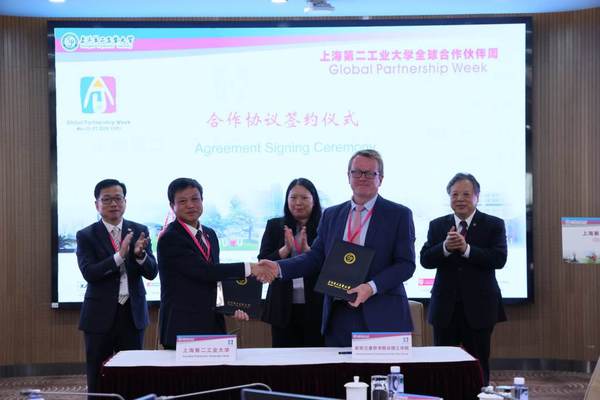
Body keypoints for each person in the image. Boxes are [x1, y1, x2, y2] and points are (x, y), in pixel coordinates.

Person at [257, 149, 416, 347]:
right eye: (356, 172)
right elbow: (315, 257)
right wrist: (279, 267)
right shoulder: (332, 215)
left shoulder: (398, 214)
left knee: (382, 368)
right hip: (339, 314)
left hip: (382, 312)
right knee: (339, 368)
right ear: (348, 176)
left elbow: (406, 264)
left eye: (369, 173)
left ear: (380, 178)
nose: (362, 177)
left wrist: (371, 287)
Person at [157, 177, 271, 349]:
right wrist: (250, 268)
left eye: (195, 199)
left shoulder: (209, 234)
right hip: (182, 327)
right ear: (172, 205)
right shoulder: (170, 237)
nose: (190, 205)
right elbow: (204, 271)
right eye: (182, 201)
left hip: (212, 324)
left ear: (202, 200)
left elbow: (216, 279)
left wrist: (233, 305)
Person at [420, 172, 507, 386]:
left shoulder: (493, 224)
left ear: (477, 196)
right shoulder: (437, 225)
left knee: (478, 365)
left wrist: (467, 249)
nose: (460, 199)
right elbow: (425, 260)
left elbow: (499, 259)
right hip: (445, 308)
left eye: (466, 194)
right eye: (455, 194)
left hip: (480, 308)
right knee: (442, 366)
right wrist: (445, 248)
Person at [76, 179, 158, 392]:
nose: (113, 203)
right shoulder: (86, 235)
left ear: (125, 202)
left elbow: (152, 272)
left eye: (118, 198)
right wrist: (119, 256)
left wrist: (139, 256)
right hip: (99, 316)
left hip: (132, 315)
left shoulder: (139, 230)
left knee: (133, 377)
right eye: (107, 199)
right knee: (97, 376)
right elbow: (89, 273)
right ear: (97, 204)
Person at [258, 178, 324, 347]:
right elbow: (262, 262)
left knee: (315, 357)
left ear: (314, 200)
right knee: (284, 357)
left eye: (304, 198)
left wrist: (309, 252)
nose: (298, 203)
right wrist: (285, 249)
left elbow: (332, 265)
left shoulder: (325, 226)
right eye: (293, 197)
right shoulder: (274, 226)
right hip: (282, 306)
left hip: (316, 305)